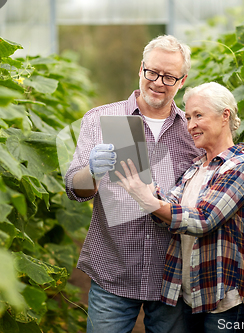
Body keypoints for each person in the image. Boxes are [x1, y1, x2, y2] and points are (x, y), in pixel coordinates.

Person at [64, 35, 203, 333]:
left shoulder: (192, 131)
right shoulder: (101, 119)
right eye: (152, 72)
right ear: (141, 69)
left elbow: (211, 186)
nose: (158, 82)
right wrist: (92, 172)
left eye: (169, 76)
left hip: (172, 275)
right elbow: (74, 189)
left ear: (182, 80)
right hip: (113, 268)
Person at [115, 82, 244, 333]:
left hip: (226, 299)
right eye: (187, 117)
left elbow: (203, 220)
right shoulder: (196, 167)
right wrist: (143, 182)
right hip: (191, 296)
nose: (190, 125)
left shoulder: (240, 166)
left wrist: (149, 200)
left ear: (225, 116)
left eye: (198, 115)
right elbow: (169, 208)